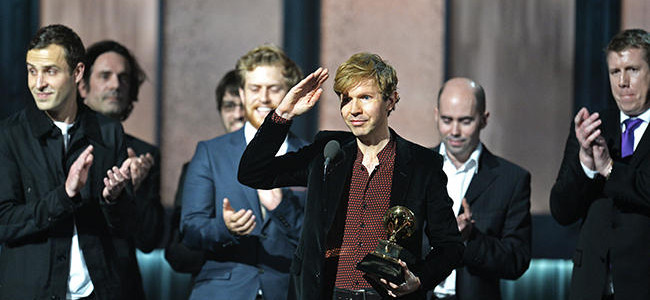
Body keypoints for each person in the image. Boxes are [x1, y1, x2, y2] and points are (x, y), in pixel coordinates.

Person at [238, 53, 464, 300]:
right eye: (346, 100)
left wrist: (418, 279)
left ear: (391, 100)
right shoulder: (327, 152)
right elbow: (253, 173)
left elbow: (450, 246)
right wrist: (284, 112)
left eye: (365, 97)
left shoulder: (423, 165)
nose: (354, 109)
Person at [0, 24, 141, 299]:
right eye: (32, 71)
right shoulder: (9, 136)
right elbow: (4, 223)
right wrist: (65, 195)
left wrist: (114, 198)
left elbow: (127, 227)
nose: (38, 83)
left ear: (77, 73)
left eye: (50, 71)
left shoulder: (108, 132)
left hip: (98, 290)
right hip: (31, 291)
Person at [180, 45, 308, 300]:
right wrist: (225, 227)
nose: (263, 98)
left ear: (290, 94)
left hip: (286, 291)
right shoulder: (210, 152)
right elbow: (190, 229)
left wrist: (282, 208)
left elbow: (320, 241)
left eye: (273, 89)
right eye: (254, 88)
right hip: (222, 291)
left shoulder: (310, 156)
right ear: (242, 92)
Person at [550, 28, 650, 300]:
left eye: (633, 69)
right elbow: (562, 210)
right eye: (615, 72)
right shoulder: (593, 127)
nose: (623, 82)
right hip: (591, 285)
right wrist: (585, 164)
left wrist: (608, 168)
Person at [431, 78, 531, 300]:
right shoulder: (417, 168)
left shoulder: (511, 180)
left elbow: (517, 260)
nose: (454, 131)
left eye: (465, 121)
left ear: (484, 120)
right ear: (436, 115)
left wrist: (469, 239)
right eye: (447, 120)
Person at [79, 40, 164, 254]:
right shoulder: (63, 143)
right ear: (82, 86)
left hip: (119, 280)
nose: (115, 85)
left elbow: (148, 241)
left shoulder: (146, 155)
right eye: (105, 76)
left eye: (123, 78)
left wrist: (137, 189)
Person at [165, 69, 244, 276]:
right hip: (215, 282)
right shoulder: (199, 167)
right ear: (219, 111)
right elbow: (177, 254)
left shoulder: (286, 161)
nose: (238, 115)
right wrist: (222, 230)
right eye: (229, 106)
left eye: (243, 106)